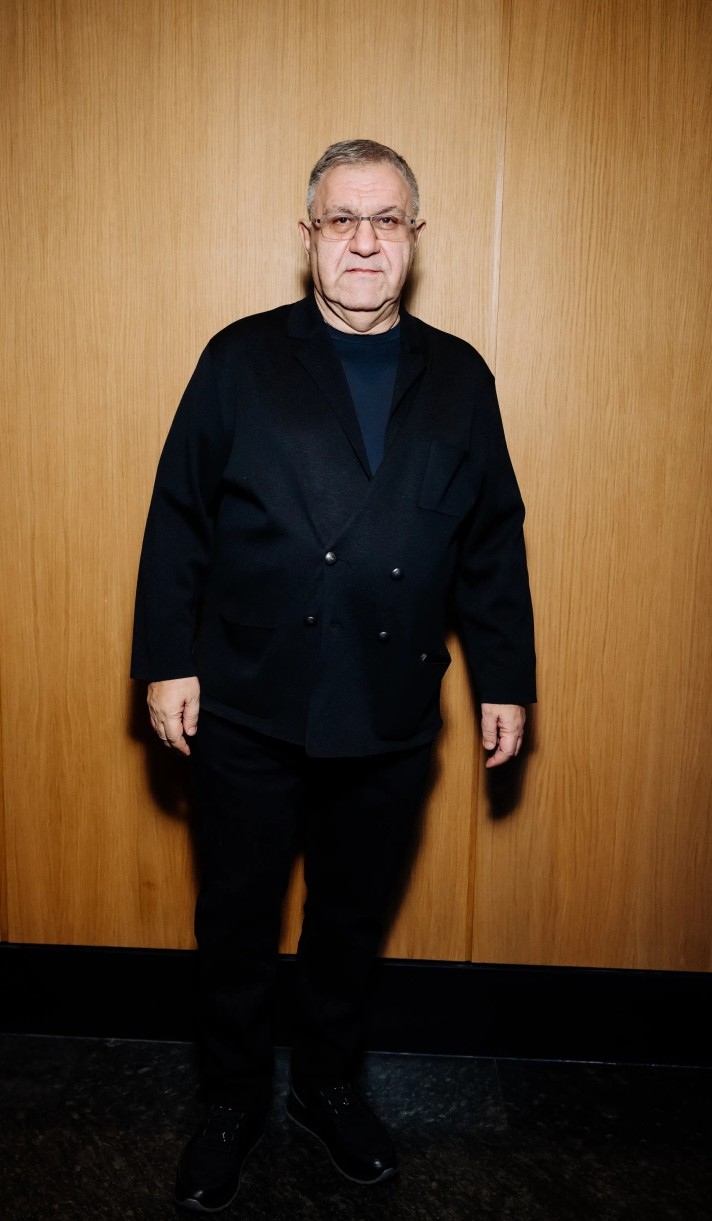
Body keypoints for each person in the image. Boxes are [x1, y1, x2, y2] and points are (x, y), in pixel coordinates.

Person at [131, 139, 536, 1212]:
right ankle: (231, 1098)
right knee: (237, 918)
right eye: (342, 219)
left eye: (386, 219)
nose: (364, 240)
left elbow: (493, 539)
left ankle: (325, 1084)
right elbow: (178, 517)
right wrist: (166, 661)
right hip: (247, 697)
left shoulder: (461, 377)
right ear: (308, 234)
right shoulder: (239, 358)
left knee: (351, 919)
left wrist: (504, 677)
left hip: (389, 702)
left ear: (414, 238)